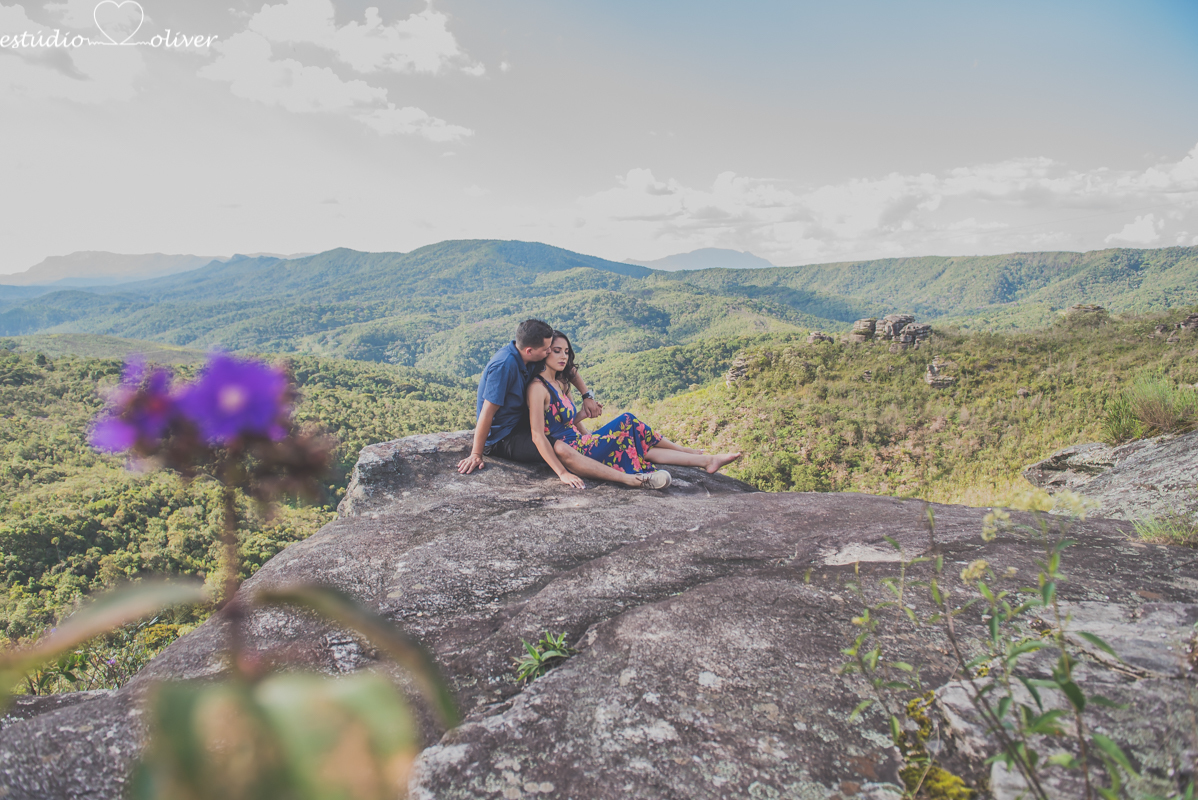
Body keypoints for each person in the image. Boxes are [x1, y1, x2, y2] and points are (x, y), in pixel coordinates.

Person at [527, 330, 742, 489]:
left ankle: (707, 460)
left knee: (642, 448)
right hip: (575, 450)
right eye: (556, 351)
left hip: (583, 442)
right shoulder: (538, 389)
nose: (563, 356)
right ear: (545, 353)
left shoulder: (560, 383)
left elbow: (563, 422)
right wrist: (562, 473)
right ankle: (684, 451)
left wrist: (582, 416)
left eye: (566, 351)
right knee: (628, 420)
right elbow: (541, 434)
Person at [456, 319, 623, 484]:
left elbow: (568, 368)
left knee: (565, 436)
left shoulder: (527, 355)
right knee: (561, 448)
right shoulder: (504, 366)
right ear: (530, 350)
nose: (550, 352)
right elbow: (487, 412)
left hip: (520, 423)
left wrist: (587, 396)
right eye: (547, 349)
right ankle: (627, 478)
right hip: (503, 437)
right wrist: (476, 454)